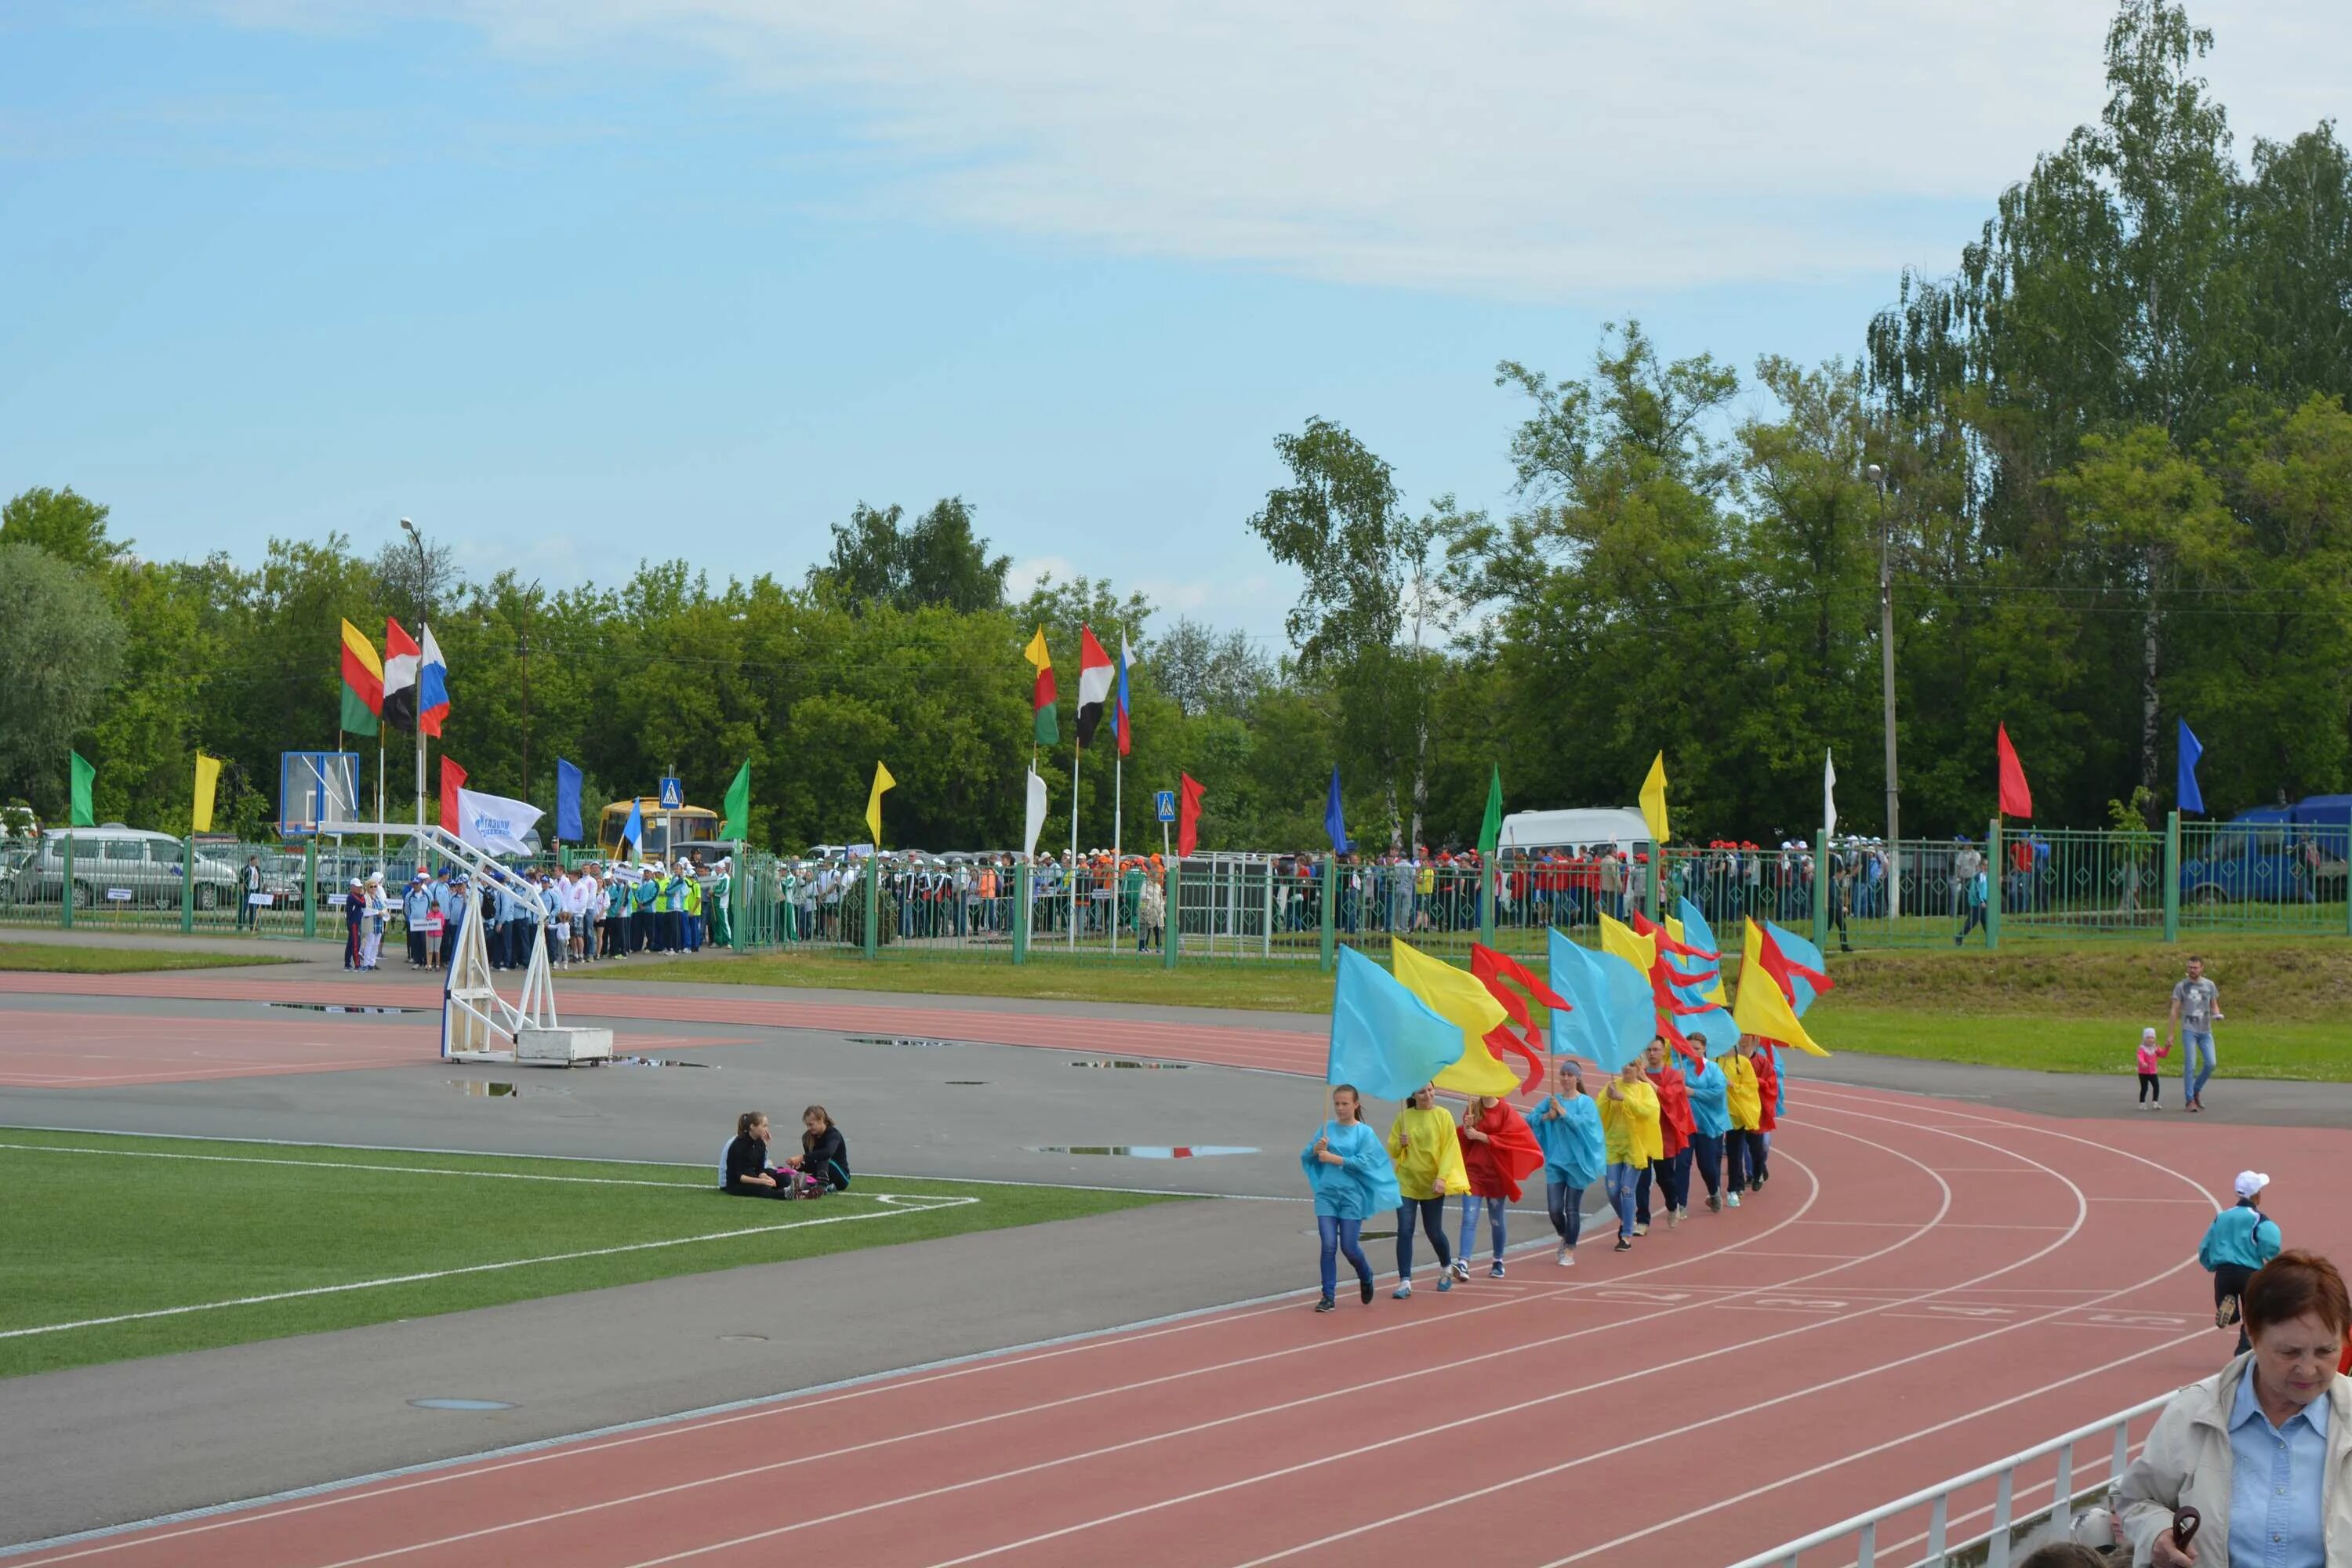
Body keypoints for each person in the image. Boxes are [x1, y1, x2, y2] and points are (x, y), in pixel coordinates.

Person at [2118, 1249, 2352, 1567]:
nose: (2308, 1370)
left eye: (2326, 1351)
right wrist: (2158, 1532)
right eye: (2289, 1352)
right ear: (2252, 1335)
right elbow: (2135, 1499)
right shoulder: (2192, 1414)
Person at [1302, 1084, 1400, 1312]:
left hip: (1351, 1197)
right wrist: (1315, 1150)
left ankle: (1365, 1275)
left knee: (1349, 1246)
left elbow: (1367, 1161)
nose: (1340, 1108)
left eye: (1345, 1103)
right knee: (1328, 1245)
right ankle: (1328, 1296)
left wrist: (1335, 1159)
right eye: (1337, 1103)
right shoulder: (1326, 1128)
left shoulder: (1364, 1133)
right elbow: (1307, 1154)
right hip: (1327, 1194)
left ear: (1356, 1105)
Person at [1385, 1084, 1468, 1298]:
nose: (1428, 1095)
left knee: (1433, 1231)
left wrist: (1442, 1178)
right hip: (1407, 1182)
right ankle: (1405, 1281)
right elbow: (1393, 1149)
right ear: (1413, 1094)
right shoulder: (1404, 1116)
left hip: (1432, 1183)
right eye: (1422, 1092)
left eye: (1430, 1090)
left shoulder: (1443, 1116)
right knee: (1404, 1229)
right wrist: (1400, 1144)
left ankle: (1446, 1267)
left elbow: (1450, 1149)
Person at [1454, 1093, 1541, 1279]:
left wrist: (1483, 1136)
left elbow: (1512, 1138)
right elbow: (1466, 1141)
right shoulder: (1473, 1108)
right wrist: (1466, 1129)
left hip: (1496, 1173)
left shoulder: (1505, 1110)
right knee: (1469, 1217)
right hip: (1474, 1172)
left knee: (1496, 1220)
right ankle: (1463, 1262)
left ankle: (1498, 1259)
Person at [2201, 1170, 2285, 1356]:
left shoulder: (2222, 1217)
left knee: (2230, 1309)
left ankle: (2229, 1308)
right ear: (2257, 1195)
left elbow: (2207, 1244)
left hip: (2224, 1273)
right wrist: (2271, 1259)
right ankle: (2244, 1347)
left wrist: (2210, 1264)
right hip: (2250, 1273)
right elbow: (2270, 1242)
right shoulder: (2259, 1219)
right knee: (2254, 1314)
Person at [1530, 1062, 1606, 1266]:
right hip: (1556, 1162)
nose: (1565, 1078)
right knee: (1555, 1209)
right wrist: (1546, 1116)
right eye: (1562, 1074)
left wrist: (1563, 1113)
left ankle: (1570, 1249)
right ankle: (1565, 1235)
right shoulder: (1551, 1101)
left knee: (1572, 1209)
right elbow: (1530, 1119)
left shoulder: (1586, 1103)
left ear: (1578, 1078)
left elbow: (1585, 1126)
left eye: (1570, 1074)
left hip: (1577, 1164)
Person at [1598, 1059, 1661, 1253]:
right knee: (1612, 1190)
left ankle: (1626, 1235)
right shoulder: (1612, 1086)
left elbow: (1649, 1112)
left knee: (1627, 1188)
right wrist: (1609, 1099)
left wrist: (1624, 1098)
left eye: (1632, 1065)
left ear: (1640, 1068)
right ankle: (1628, 1219)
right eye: (1625, 1064)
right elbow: (1597, 1112)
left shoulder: (1645, 1090)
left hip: (1636, 1147)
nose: (1627, 1068)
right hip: (1614, 1146)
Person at [1641, 1038, 1696, 1232]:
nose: (1652, 1053)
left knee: (1665, 1177)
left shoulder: (1673, 1075)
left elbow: (1669, 1097)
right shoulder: (1640, 1075)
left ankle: (1673, 1205)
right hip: (1644, 1135)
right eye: (1649, 1050)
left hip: (1664, 1134)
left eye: (1656, 1049)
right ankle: (1643, 1221)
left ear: (1664, 1051)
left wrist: (1646, 1080)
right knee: (1642, 1178)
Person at [2170, 955, 2223, 1113]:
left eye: (2195, 967)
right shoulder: (2182, 986)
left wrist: (2217, 1014)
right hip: (2189, 1029)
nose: (2192, 970)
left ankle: (2196, 1089)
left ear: (2202, 968)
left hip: (2205, 1030)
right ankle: (2189, 1100)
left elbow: (2214, 1005)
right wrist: (2170, 1034)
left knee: (2211, 1063)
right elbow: (2175, 1010)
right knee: (2190, 1065)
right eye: (2190, 967)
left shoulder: (2209, 985)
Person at [1685, 1047, 1732, 1213]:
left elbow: (1718, 1094)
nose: (1692, 1051)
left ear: (1704, 1048)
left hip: (1708, 1125)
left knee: (1707, 1165)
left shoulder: (1713, 1069)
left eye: (1696, 1048)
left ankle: (1714, 1192)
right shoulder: (1680, 1068)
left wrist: (1692, 1092)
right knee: (1682, 1164)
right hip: (1685, 1125)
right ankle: (1680, 1205)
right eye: (1689, 1047)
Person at [1724, 1040, 1762, 1204]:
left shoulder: (1744, 1063)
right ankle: (1735, 1187)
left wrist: (1733, 1085)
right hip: (1728, 1114)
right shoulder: (1714, 1062)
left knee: (1756, 1147)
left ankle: (1759, 1171)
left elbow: (1751, 1087)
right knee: (1733, 1152)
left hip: (1746, 1112)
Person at [722, 1111, 790, 1197]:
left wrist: (767, 1178)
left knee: (784, 1178)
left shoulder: (760, 1143)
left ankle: (797, 1188)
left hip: (754, 1176)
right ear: (752, 1126)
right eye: (764, 1126)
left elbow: (760, 1170)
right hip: (737, 1184)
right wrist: (761, 1181)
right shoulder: (738, 1145)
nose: (767, 1129)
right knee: (763, 1188)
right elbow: (738, 1176)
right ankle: (785, 1194)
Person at [784, 1105, 850, 1195]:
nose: (809, 1128)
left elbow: (828, 1152)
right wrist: (801, 1167)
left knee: (824, 1158)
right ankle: (820, 1187)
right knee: (802, 1181)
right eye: (807, 1125)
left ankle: (821, 1188)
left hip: (841, 1177)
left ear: (821, 1120)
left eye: (811, 1124)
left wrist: (802, 1157)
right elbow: (811, 1165)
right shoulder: (807, 1137)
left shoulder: (833, 1135)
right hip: (821, 1173)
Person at [2137, 1025, 2171, 1110]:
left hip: (2153, 1072)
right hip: (2143, 1072)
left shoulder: (2155, 1048)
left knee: (2156, 1086)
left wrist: (2167, 1048)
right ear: (2144, 1038)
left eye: (2152, 1037)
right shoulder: (2142, 1048)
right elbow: (2139, 1057)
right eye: (2148, 1037)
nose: (2150, 1039)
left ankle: (2155, 1102)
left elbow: (2163, 1055)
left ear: (2154, 1039)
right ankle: (2142, 1103)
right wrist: (2143, 1063)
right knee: (2144, 1088)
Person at [342, 877, 366, 969]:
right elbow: (363, 903)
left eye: (360, 887)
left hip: (355, 922)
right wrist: (362, 895)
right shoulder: (352, 897)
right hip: (354, 923)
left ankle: (347, 964)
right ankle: (357, 965)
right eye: (358, 887)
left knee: (351, 943)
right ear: (352, 887)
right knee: (356, 943)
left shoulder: (354, 896)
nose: (360, 889)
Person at [238, 855, 263, 931]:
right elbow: (241, 881)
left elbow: (261, 879)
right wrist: (242, 891)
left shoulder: (258, 869)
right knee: (243, 909)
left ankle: (252, 926)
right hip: (247, 891)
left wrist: (261, 888)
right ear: (251, 861)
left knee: (253, 909)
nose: (257, 862)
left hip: (255, 891)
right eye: (255, 860)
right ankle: (240, 925)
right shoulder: (245, 869)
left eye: (257, 860)